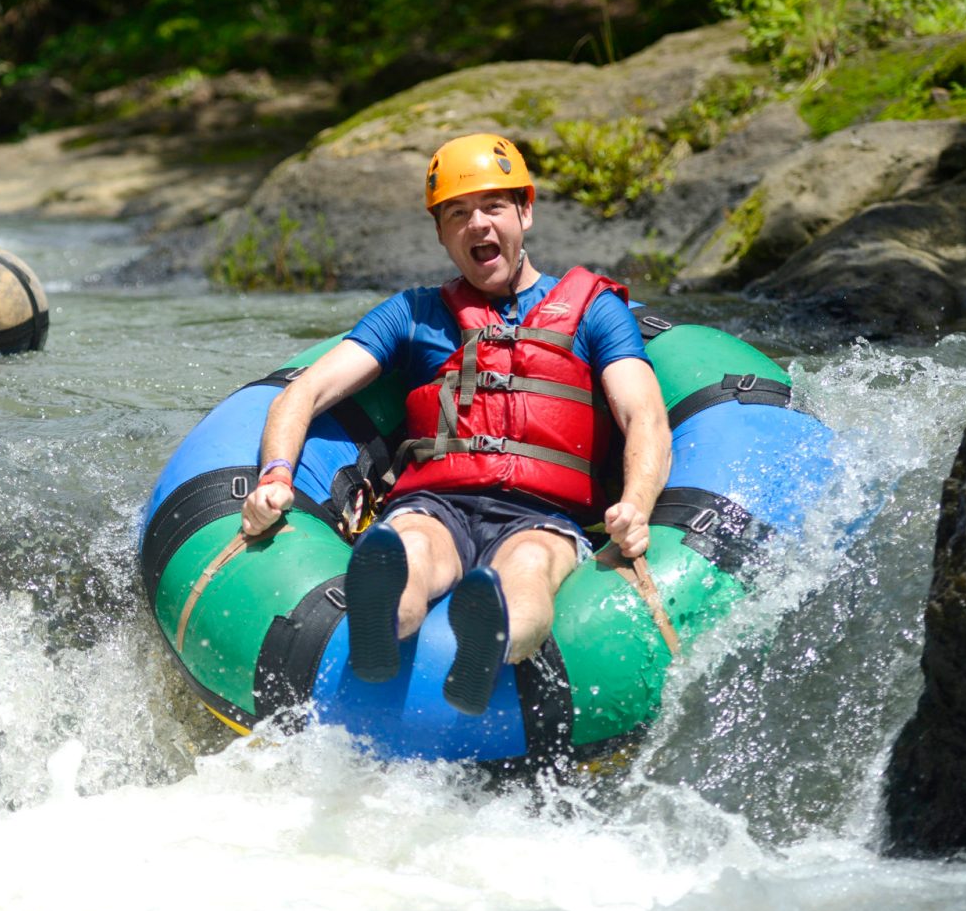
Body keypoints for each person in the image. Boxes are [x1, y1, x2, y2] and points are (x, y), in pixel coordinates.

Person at [238, 133, 671, 715]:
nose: (478, 226)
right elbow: (305, 391)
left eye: (493, 207)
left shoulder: (594, 308)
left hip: (543, 516)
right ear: (441, 233)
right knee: (411, 548)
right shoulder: (413, 314)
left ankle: (488, 637)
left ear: (526, 210)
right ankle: (382, 625)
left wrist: (636, 505)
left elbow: (642, 412)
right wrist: (274, 477)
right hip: (434, 503)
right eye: (458, 214)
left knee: (528, 569)